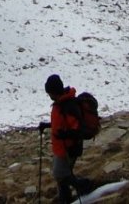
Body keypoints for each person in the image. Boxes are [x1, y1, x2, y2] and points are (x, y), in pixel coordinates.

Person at [39, 74, 95, 202]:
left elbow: (77, 128)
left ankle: (84, 185)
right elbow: (61, 123)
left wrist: (65, 135)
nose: (49, 96)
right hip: (61, 147)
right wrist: (47, 125)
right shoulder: (60, 103)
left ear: (54, 91)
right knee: (62, 177)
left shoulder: (68, 105)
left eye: (49, 93)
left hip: (68, 147)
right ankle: (66, 199)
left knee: (61, 175)